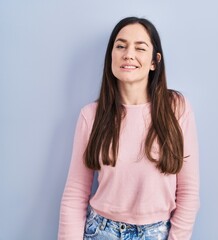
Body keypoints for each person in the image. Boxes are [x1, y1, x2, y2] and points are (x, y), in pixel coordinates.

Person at [58, 17, 200, 240]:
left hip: (157, 233)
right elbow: (75, 194)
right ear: (111, 57)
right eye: (121, 46)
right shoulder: (90, 116)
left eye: (140, 48)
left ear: (155, 61)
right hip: (101, 231)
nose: (128, 54)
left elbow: (189, 194)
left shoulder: (177, 108)